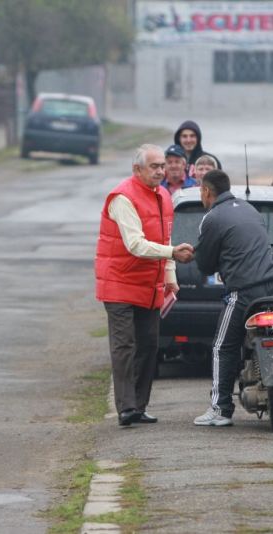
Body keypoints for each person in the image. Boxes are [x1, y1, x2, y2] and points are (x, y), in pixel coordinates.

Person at [95, 144, 194, 426]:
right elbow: (136, 245)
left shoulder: (163, 195)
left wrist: (170, 277)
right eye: (155, 167)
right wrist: (173, 253)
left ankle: (139, 405)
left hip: (147, 283)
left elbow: (165, 239)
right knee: (124, 345)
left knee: (150, 345)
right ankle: (126, 408)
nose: (161, 171)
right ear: (137, 169)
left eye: (163, 166)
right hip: (119, 281)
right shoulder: (122, 197)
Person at [191, 170, 273, 426]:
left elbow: (204, 264)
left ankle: (220, 409)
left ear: (206, 191)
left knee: (222, 347)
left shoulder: (212, 218)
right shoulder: (250, 209)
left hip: (244, 292)